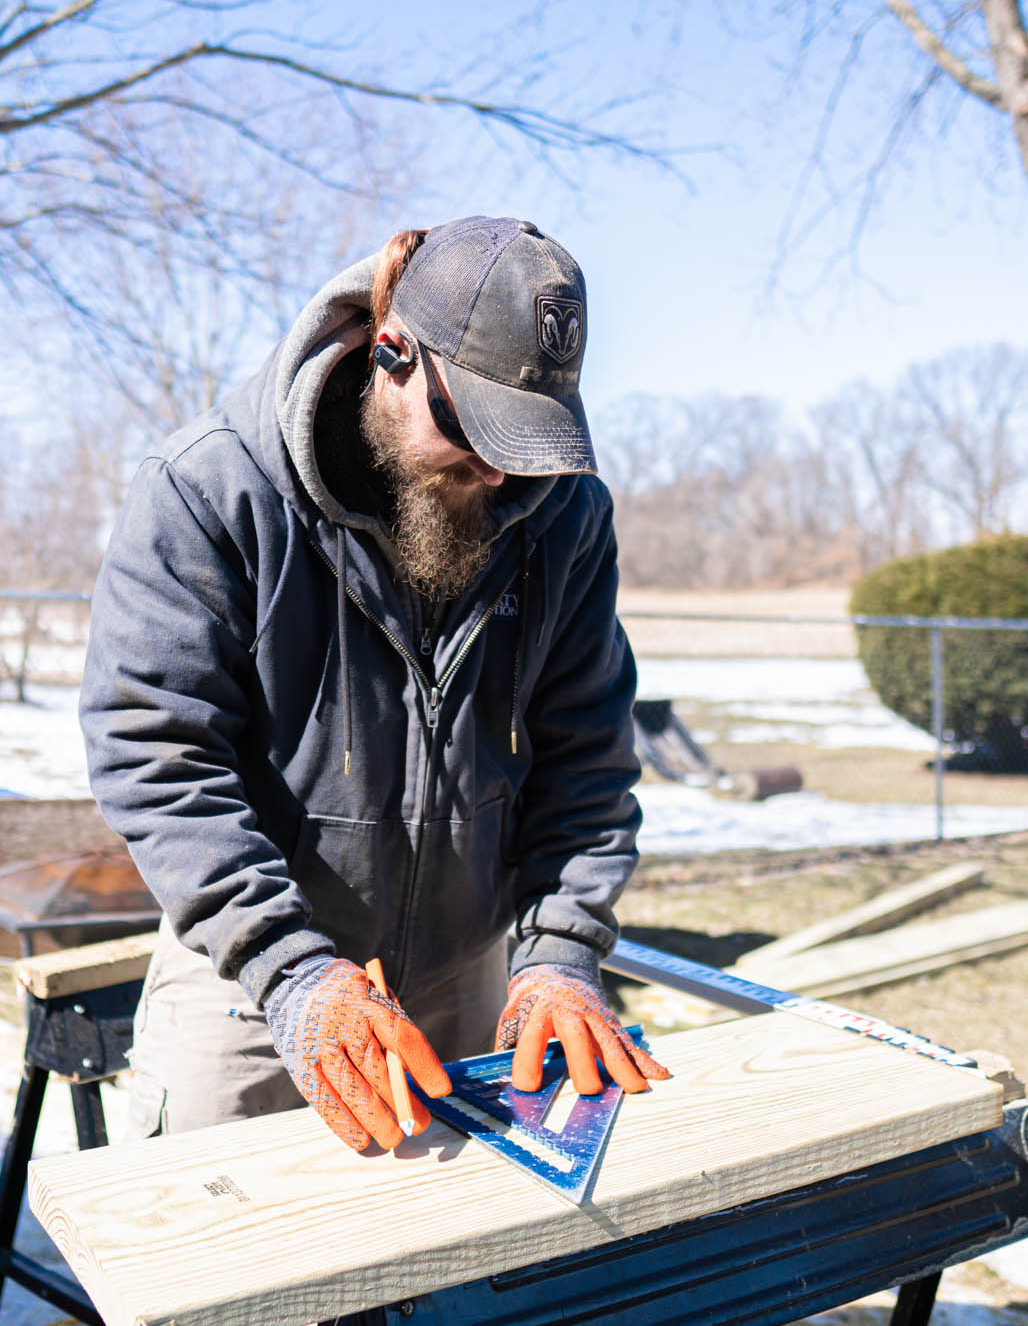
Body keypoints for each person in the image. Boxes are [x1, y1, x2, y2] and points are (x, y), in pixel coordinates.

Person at [79, 215, 668, 1154]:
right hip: (253, 977)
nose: (496, 467)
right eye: (471, 427)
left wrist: (560, 949)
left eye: (525, 438)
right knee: (226, 1271)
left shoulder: (559, 515)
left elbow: (588, 754)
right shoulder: (209, 491)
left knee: (448, 1275)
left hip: (466, 977)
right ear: (392, 353)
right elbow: (155, 751)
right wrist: (291, 969)